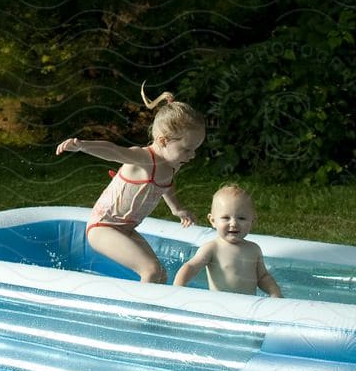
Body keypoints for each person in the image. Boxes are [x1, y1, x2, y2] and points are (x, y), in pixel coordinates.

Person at [56, 85, 204, 282]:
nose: (192, 155)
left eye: (195, 149)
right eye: (187, 149)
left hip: (125, 228)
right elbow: (113, 151)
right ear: (162, 141)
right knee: (150, 270)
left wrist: (177, 209)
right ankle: (140, 313)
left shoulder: (172, 164)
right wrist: (83, 146)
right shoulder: (143, 158)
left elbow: (166, 185)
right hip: (103, 227)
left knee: (160, 275)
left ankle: (155, 310)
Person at [174, 184, 284, 297]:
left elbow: (262, 277)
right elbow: (191, 267)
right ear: (213, 220)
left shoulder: (254, 249)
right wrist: (178, 286)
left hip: (248, 308)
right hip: (220, 307)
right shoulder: (212, 248)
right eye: (226, 218)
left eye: (241, 218)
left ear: (252, 221)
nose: (233, 223)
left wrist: (274, 291)